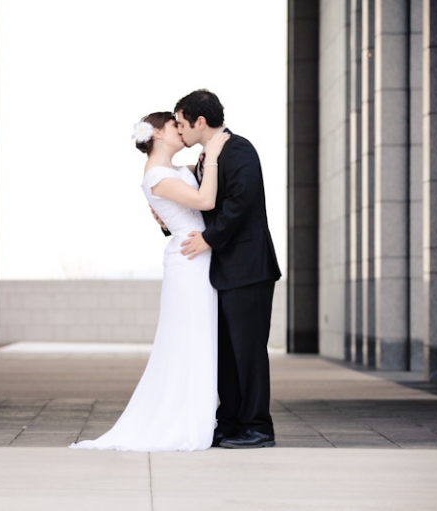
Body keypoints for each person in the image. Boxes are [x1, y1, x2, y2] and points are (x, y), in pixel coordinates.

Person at [69, 112, 229, 451]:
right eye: (174, 125)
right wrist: (212, 157)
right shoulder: (156, 175)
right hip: (189, 261)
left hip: (199, 256)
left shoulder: (175, 171)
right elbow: (205, 201)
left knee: (199, 338)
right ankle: (185, 419)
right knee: (188, 337)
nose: (180, 130)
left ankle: (198, 415)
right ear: (156, 133)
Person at [174, 89, 281, 449]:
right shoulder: (208, 159)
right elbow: (205, 207)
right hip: (223, 271)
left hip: (249, 269)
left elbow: (240, 203)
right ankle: (231, 421)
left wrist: (209, 239)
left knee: (248, 351)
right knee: (226, 352)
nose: (179, 130)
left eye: (181, 123)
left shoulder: (239, 149)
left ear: (199, 122)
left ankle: (257, 426)